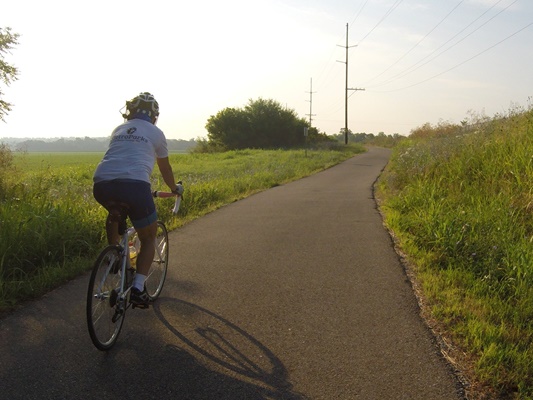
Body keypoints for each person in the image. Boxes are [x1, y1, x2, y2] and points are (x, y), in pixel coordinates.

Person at [93, 92, 181, 308]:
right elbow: (164, 167)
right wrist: (174, 188)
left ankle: (113, 253)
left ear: (130, 112)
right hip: (135, 186)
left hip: (102, 183)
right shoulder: (156, 133)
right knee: (149, 237)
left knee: (114, 211)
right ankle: (139, 288)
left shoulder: (119, 129)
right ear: (154, 116)